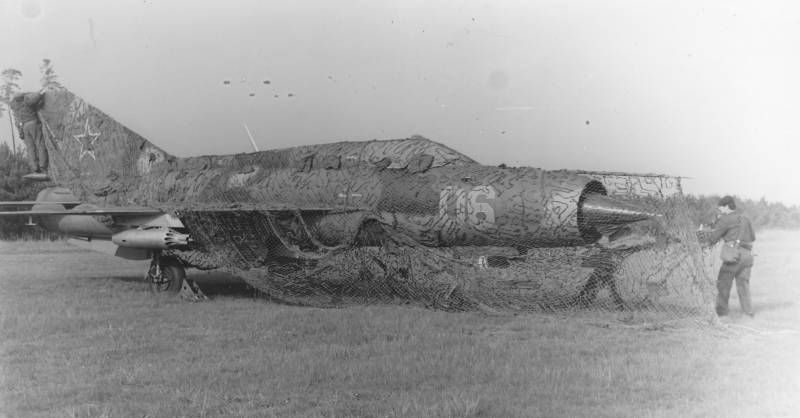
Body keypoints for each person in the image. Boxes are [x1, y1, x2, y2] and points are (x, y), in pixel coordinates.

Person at [702, 195, 756, 317]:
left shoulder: (725, 219)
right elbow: (752, 238)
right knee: (744, 285)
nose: (720, 211)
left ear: (727, 206)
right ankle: (748, 313)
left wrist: (704, 238)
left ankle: (721, 313)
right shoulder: (746, 219)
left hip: (734, 255)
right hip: (748, 255)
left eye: (721, 208)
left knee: (723, 284)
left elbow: (713, 238)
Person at [9, 92, 48, 174]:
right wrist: (27, 93)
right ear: (22, 97)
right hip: (33, 123)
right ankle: (43, 166)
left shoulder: (16, 107)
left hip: (24, 127)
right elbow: (38, 96)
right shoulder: (27, 100)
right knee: (40, 144)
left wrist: (20, 132)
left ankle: (34, 168)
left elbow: (17, 122)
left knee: (30, 148)